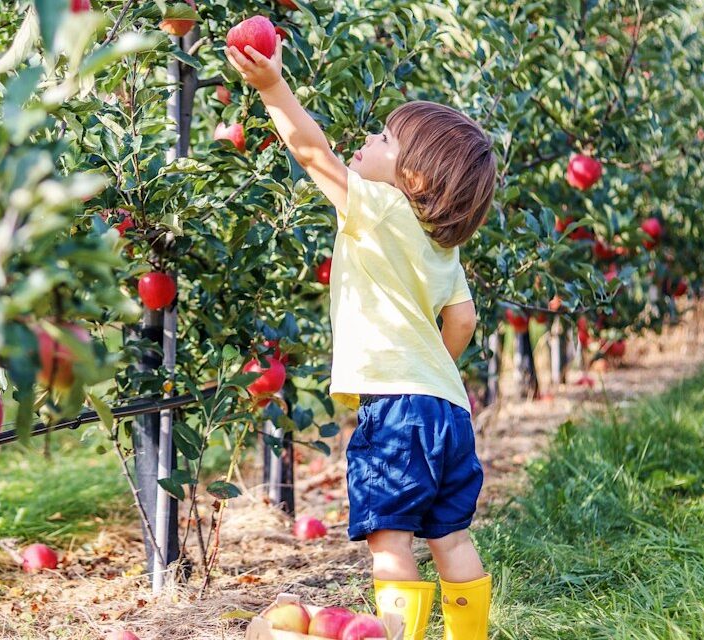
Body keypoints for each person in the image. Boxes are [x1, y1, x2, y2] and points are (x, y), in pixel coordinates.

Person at [228, 37, 496, 640]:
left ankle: (395, 635)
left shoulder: (377, 207)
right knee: (450, 535)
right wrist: (435, 369)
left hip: (397, 410)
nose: (370, 141)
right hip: (448, 410)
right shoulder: (444, 246)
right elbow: (463, 322)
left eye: (384, 138)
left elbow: (313, 152)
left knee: (390, 538)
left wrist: (273, 87)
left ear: (414, 175)